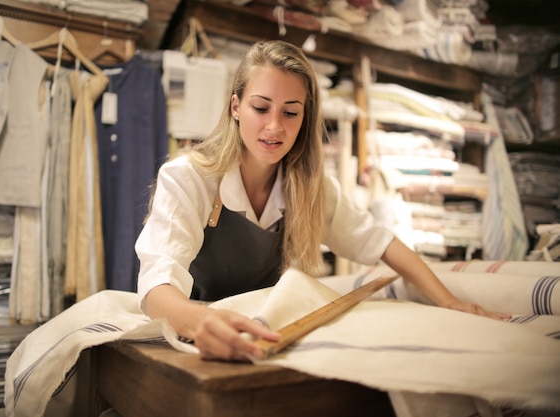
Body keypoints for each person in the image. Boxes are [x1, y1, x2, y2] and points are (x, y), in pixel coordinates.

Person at [135, 40, 510, 362]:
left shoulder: (312, 190)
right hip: (191, 336)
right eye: (260, 108)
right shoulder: (189, 178)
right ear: (236, 107)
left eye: (290, 112)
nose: (275, 127)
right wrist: (203, 323)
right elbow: (156, 287)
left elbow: (381, 242)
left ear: (305, 117)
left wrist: (449, 302)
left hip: (265, 341)